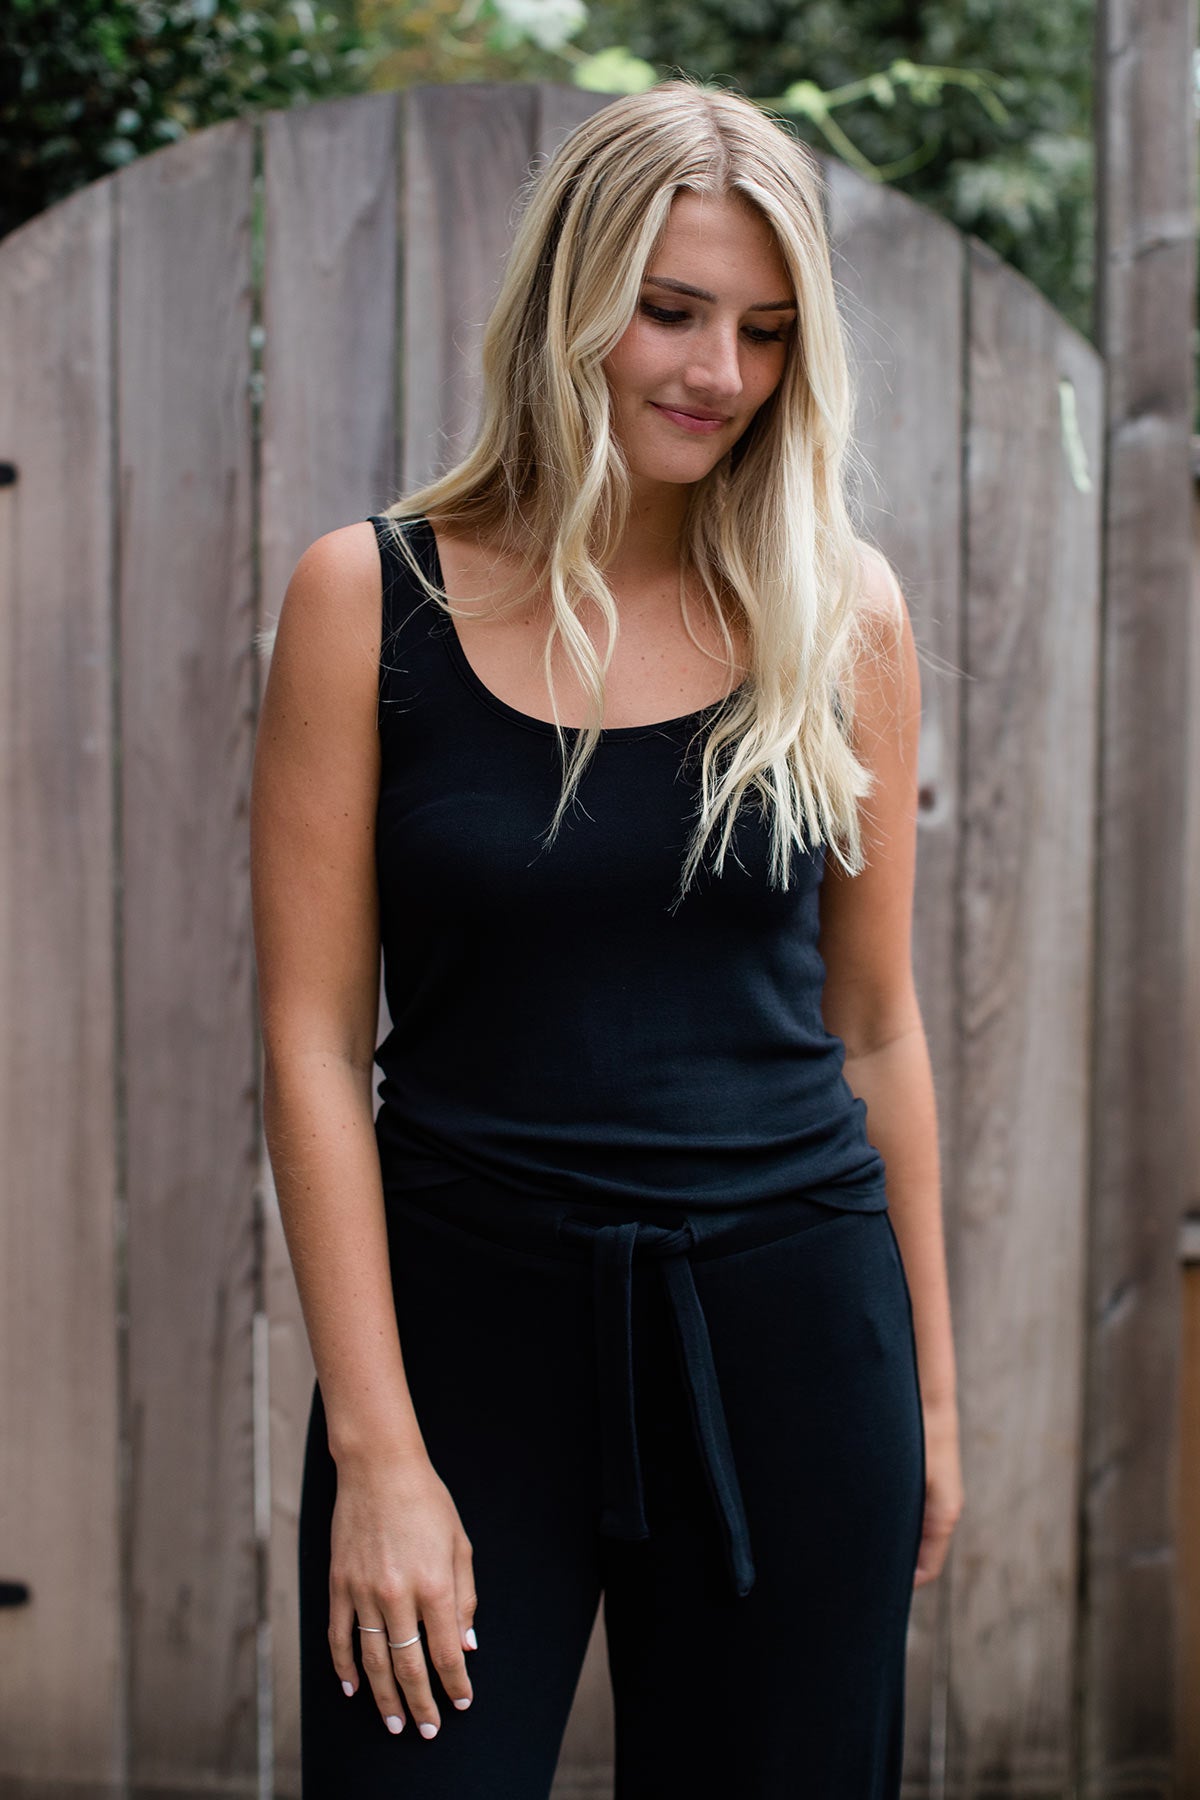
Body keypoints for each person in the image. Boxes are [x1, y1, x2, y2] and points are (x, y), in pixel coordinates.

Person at [250, 75, 963, 1800]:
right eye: (672, 310)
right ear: (573, 299)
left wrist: (933, 1404)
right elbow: (310, 1047)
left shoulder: (841, 612)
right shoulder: (369, 600)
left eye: (768, 330)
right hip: (464, 1347)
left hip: (797, 1337)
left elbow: (875, 1027)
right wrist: (379, 1455)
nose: (719, 372)